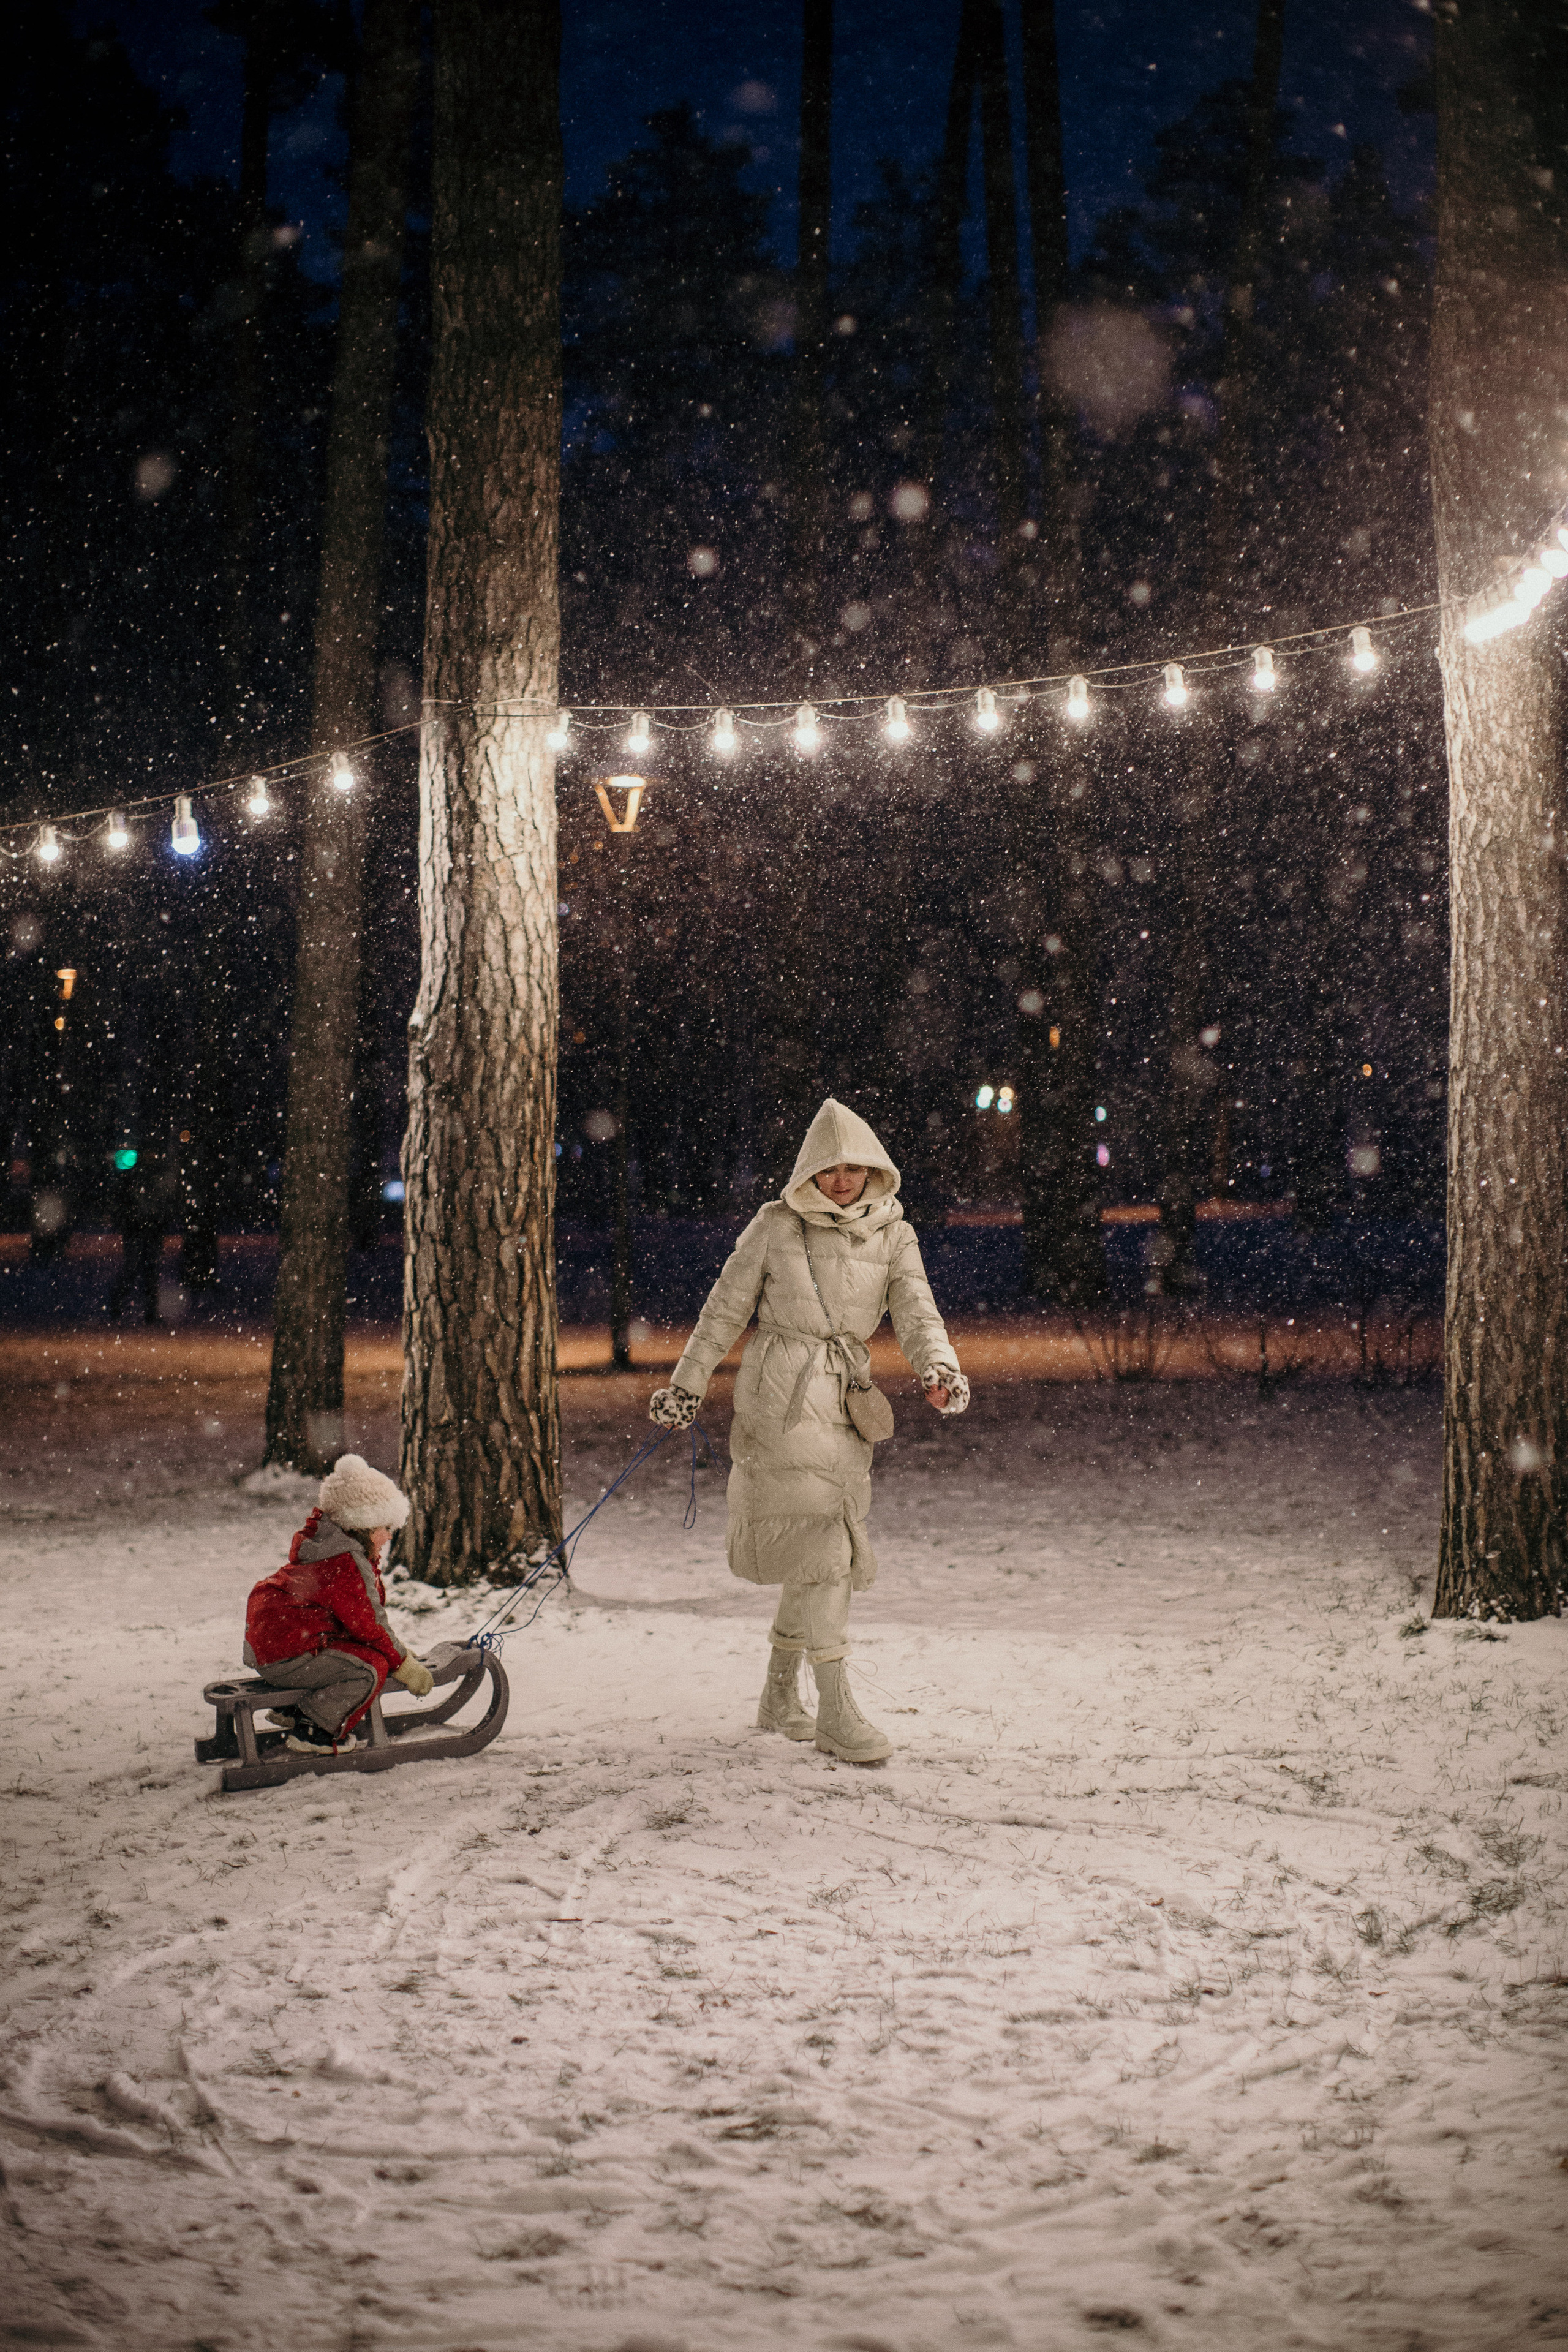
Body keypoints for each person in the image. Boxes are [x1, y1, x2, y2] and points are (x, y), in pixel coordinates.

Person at [649, 1098, 970, 1765]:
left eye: (855, 1168)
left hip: (847, 1398)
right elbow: (723, 1311)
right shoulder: (774, 1227)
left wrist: (939, 1366)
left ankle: (777, 1696)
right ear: (809, 1171)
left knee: (817, 1541)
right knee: (825, 1541)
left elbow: (915, 1310)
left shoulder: (894, 1234)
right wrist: (686, 1384)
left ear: (874, 1170)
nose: (843, 1180)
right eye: (831, 1168)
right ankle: (834, 1709)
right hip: (782, 1396)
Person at [243, 1455, 435, 1755]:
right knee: (370, 1669)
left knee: (369, 1655)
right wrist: (403, 1663)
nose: (389, 1535)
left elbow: (356, 1624)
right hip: (290, 1657)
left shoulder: (332, 1546)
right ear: (363, 1524)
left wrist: (395, 1650)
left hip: (280, 1650)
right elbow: (369, 1626)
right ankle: (314, 1730)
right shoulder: (345, 1563)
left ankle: (296, 1710)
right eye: (385, 1527)